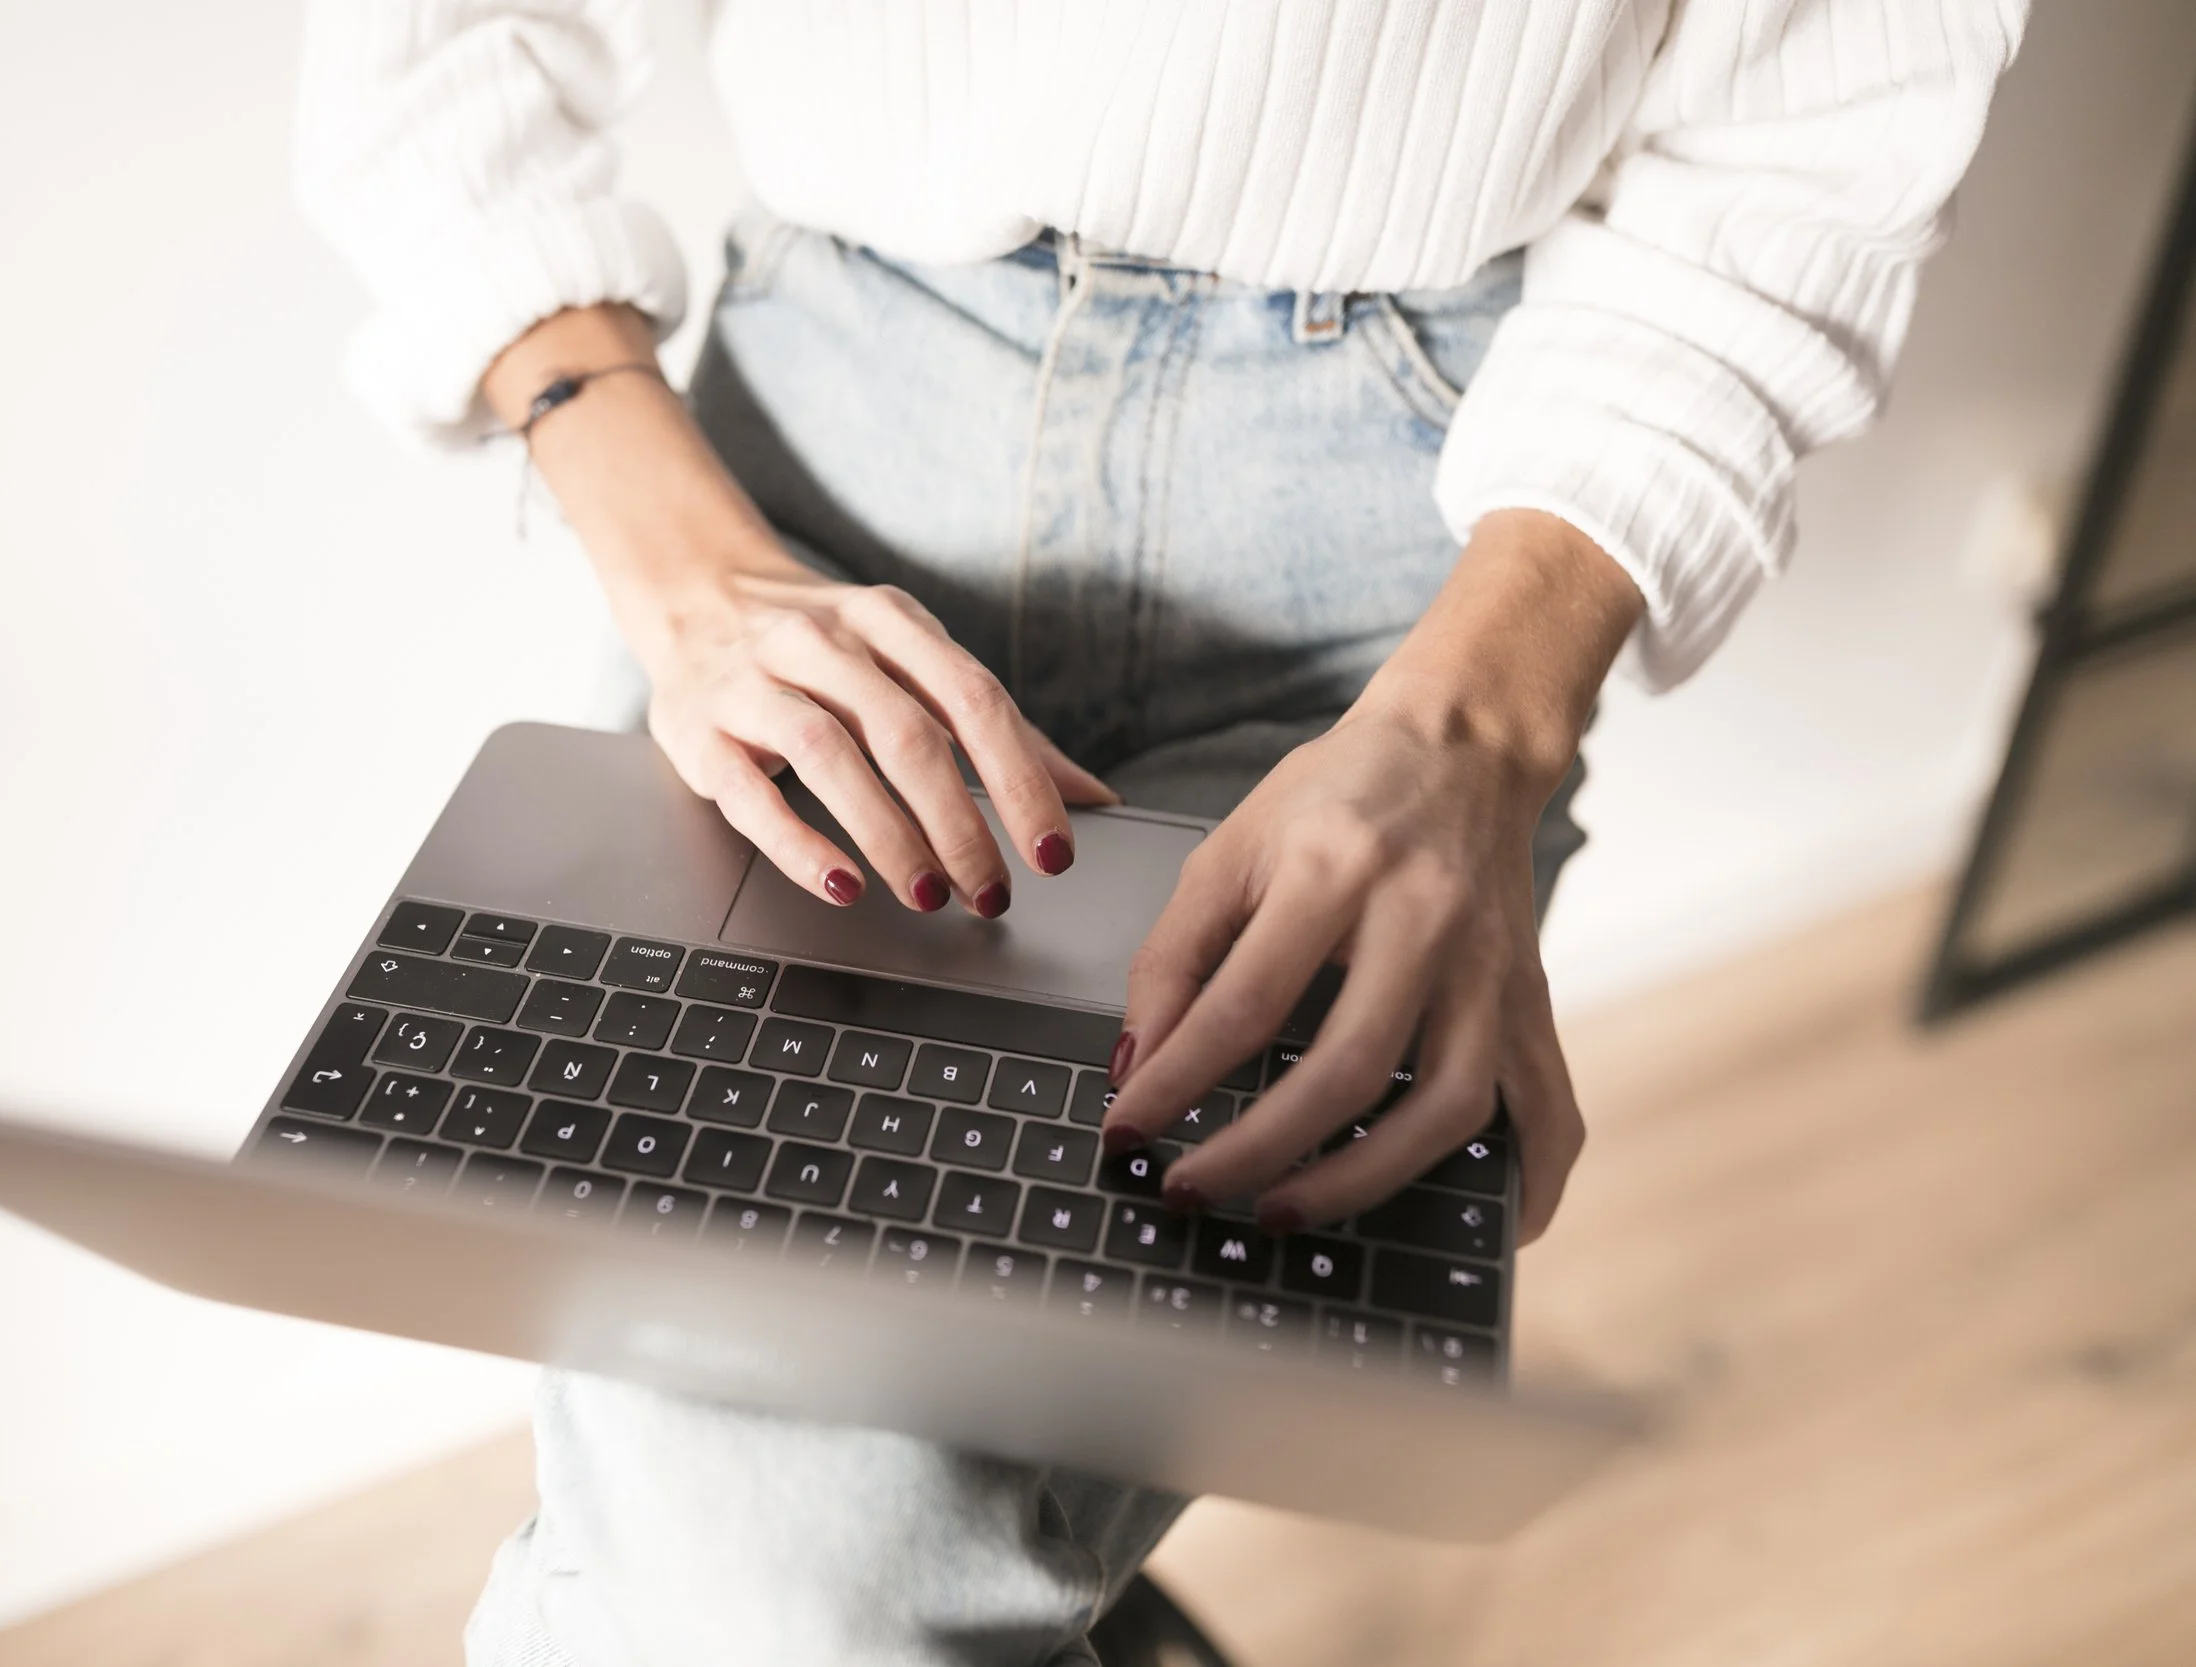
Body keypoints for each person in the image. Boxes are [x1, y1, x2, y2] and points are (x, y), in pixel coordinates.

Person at [295, 3, 2025, 1661]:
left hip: (1403, 575)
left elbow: (1809, 135)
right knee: (774, 1570)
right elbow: (433, 42)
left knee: (781, 1579)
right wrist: (691, 581)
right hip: (808, 479)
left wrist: (1475, 731)